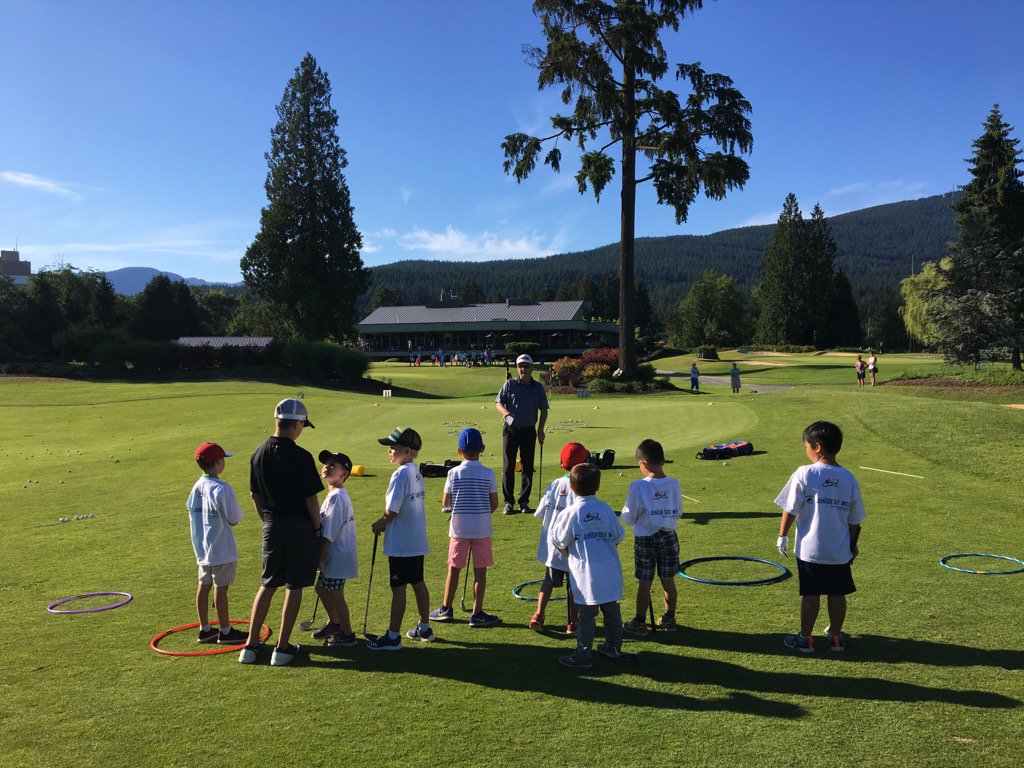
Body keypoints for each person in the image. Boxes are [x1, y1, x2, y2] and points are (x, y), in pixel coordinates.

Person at [240, 399, 324, 666]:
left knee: (268, 584)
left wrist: (266, 520)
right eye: (302, 426)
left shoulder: (258, 453)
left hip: (272, 524)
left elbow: (255, 495)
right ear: (297, 424)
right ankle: (282, 648)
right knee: (295, 585)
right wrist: (317, 526)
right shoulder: (302, 456)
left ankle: (250, 647)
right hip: (299, 526)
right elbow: (311, 499)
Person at [775, 420, 865, 653]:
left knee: (811, 594)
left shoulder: (804, 472)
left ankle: (805, 639)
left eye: (806, 445)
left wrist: (782, 535)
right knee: (837, 593)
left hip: (810, 550)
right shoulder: (848, 477)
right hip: (838, 550)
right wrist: (852, 547)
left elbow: (790, 508)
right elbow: (855, 521)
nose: (805, 449)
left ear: (817, 447)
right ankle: (835, 638)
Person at [550, 464, 634, 668]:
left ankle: (583, 655)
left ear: (571, 486)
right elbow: (618, 535)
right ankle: (614, 647)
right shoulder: (605, 509)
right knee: (611, 609)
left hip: (585, 573)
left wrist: (569, 554)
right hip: (610, 570)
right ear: (598, 487)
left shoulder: (570, 512)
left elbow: (557, 540)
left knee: (587, 614)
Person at [368, 427, 433, 650]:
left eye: (392, 448)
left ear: (406, 450)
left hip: (402, 544)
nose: (389, 451)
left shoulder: (400, 474)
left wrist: (380, 524)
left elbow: (392, 510)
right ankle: (424, 627)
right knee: (418, 582)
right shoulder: (416, 472)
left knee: (398, 588)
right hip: (416, 541)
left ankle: (393, 636)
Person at [429, 428, 500, 627]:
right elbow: (493, 504)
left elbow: (446, 502)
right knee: (480, 573)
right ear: (482, 449)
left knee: (454, 569)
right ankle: (477, 614)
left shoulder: (453, 473)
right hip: (482, 530)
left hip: (459, 531)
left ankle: (446, 608)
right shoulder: (488, 473)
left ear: (459, 451)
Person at [187, 442, 248, 645]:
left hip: (202, 547)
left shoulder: (196, 486)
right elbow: (234, 518)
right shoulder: (222, 488)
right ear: (219, 462)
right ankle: (226, 631)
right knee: (220, 588)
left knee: (203, 585)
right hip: (221, 548)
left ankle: (204, 629)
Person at [621, 439, 684, 636]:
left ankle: (640, 621)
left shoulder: (638, 486)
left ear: (643, 464)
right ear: (663, 461)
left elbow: (629, 518)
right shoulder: (674, 484)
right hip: (669, 537)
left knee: (645, 582)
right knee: (668, 580)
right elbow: (679, 512)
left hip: (646, 540)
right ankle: (669, 618)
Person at [530, 441, 589, 632]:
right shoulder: (581, 487)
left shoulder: (554, 484)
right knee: (574, 586)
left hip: (553, 547)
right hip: (572, 548)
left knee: (548, 581)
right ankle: (574, 622)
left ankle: (539, 614)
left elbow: (540, 513)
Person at [311, 450, 358, 648]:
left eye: (334, 465)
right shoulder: (333, 495)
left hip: (337, 556)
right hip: (335, 555)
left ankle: (346, 633)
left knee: (336, 593)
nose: (327, 466)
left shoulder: (337, 497)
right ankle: (335, 623)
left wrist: (318, 557)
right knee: (321, 588)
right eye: (327, 463)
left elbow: (329, 534)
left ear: (344, 474)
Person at [495, 353, 549, 515]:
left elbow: (544, 410)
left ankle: (524, 502)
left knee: (527, 467)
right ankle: (508, 502)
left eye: (526, 366)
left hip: (528, 430)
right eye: (520, 366)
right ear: (517, 368)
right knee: (508, 466)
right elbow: (498, 402)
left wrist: (540, 431)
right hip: (510, 430)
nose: (522, 369)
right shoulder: (509, 384)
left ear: (531, 368)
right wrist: (504, 411)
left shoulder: (538, 387)